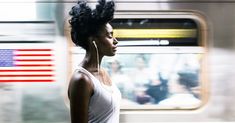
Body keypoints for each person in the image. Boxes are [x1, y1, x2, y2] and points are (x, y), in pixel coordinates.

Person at [67, 0, 121, 123]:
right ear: (93, 40)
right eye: (109, 36)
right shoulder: (82, 80)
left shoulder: (103, 73)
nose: (115, 41)